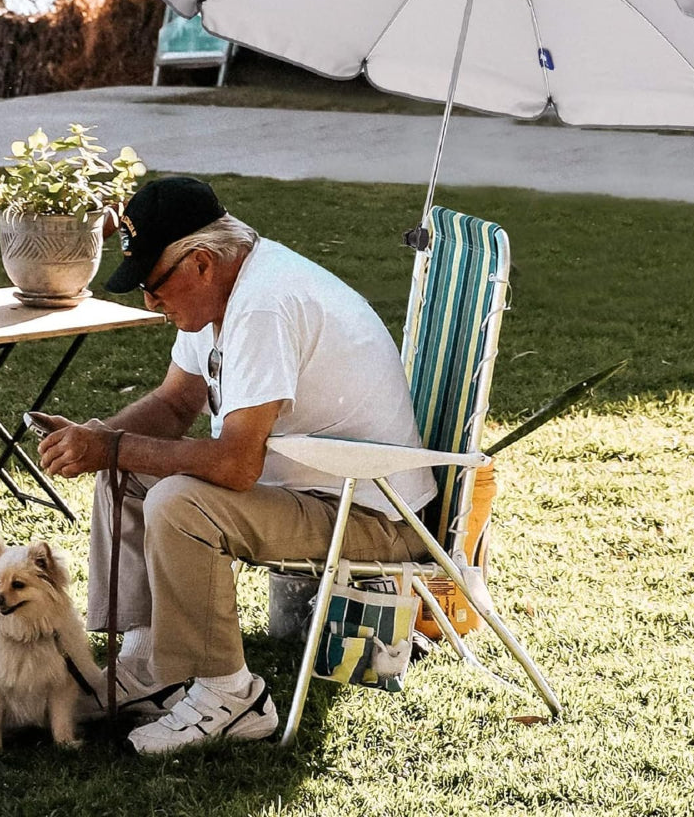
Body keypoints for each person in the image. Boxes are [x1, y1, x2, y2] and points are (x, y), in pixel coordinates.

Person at [36, 176, 435, 755]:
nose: (150, 301)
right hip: (313, 487)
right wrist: (100, 438)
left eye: (154, 285)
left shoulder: (264, 306)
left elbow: (236, 465)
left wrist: (112, 446)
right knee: (128, 469)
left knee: (178, 504)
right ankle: (151, 661)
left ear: (200, 263)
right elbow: (175, 403)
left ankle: (232, 696)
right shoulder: (228, 292)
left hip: (374, 514)